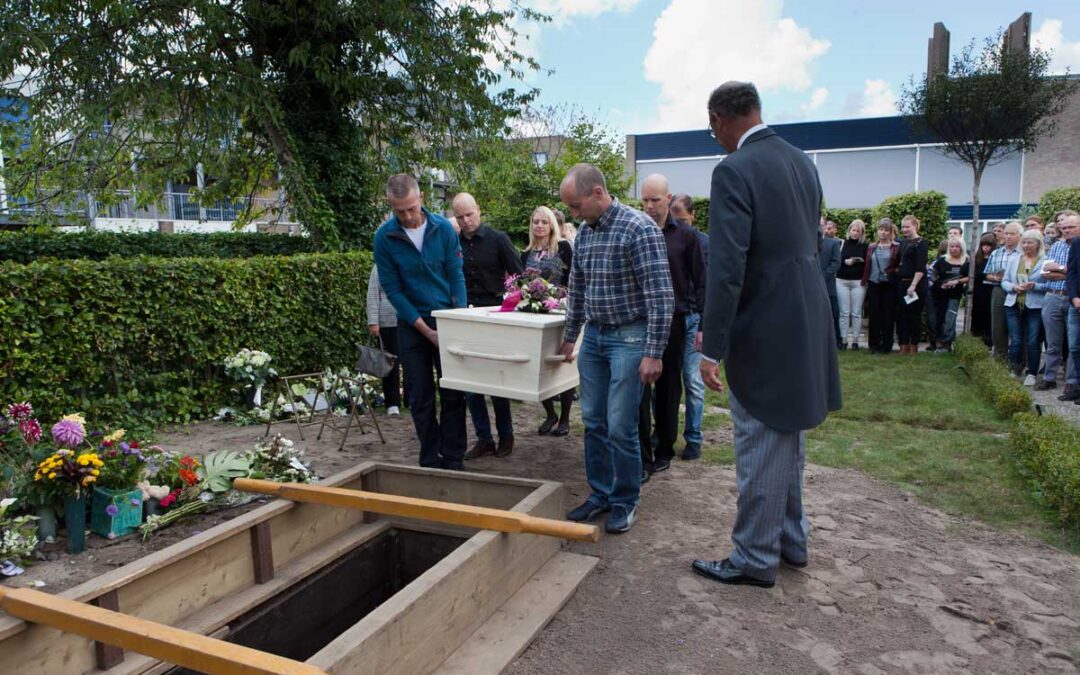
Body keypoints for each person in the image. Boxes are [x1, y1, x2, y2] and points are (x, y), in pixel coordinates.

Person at [692, 81, 841, 588]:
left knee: (759, 440)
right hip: (807, 315)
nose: (714, 136)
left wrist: (712, 347)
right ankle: (791, 542)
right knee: (786, 435)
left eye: (712, 127)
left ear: (719, 118)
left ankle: (755, 556)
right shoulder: (803, 162)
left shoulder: (734, 169)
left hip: (766, 324)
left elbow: (728, 266)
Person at [558, 163, 674, 534]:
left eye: (575, 206)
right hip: (594, 337)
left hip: (630, 337)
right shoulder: (585, 234)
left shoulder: (639, 228)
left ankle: (625, 499)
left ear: (597, 193)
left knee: (621, 425)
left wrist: (654, 352)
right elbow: (577, 288)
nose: (573, 214)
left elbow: (660, 295)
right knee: (594, 422)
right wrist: (570, 335)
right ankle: (601, 494)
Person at [373, 174, 467, 469]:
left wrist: (457, 318)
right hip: (411, 325)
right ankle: (430, 455)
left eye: (411, 208)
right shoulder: (384, 237)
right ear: (390, 205)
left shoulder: (443, 228)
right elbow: (393, 291)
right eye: (399, 211)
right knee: (419, 394)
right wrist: (425, 330)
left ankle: (453, 456)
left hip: (447, 319)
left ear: (421, 198)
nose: (407, 216)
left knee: (453, 391)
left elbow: (456, 274)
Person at [637, 174, 706, 478]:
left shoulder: (686, 236)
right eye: (645, 200)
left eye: (655, 200)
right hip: (640, 319)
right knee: (639, 388)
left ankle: (665, 447)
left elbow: (701, 280)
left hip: (675, 319)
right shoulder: (637, 230)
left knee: (668, 386)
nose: (649, 206)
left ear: (668, 199)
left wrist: (702, 323)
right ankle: (642, 451)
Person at [452, 193, 524, 460]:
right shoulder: (453, 243)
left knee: (497, 382)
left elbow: (519, 276)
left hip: (495, 316)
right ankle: (484, 439)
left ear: (478, 210)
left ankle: (506, 435)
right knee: (470, 385)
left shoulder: (498, 239)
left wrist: (514, 306)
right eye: (460, 217)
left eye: (469, 214)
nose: (465, 220)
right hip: (464, 316)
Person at [521, 205, 575, 436]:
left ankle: (565, 418)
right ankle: (550, 413)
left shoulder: (563, 248)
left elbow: (573, 278)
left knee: (562, 364)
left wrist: (561, 297)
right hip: (534, 312)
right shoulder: (526, 253)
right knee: (539, 364)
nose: (540, 226)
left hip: (559, 311)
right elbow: (521, 281)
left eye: (544, 222)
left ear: (552, 224)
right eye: (536, 222)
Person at [671, 193, 708, 461]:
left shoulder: (704, 242)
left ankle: (693, 437)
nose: (679, 225)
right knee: (666, 380)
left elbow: (708, 283)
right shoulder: (664, 238)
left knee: (692, 380)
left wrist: (704, 323)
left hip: (694, 316)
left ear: (693, 216)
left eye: (683, 220)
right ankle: (663, 432)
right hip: (672, 317)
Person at [1002, 229, 1047, 384]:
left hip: (1035, 305)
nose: (1026, 245)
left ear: (1038, 244)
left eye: (1030, 242)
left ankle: (1031, 373)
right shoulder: (1014, 260)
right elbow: (1004, 281)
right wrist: (1013, 287)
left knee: (1033, 340)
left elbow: (1049, 284)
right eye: (1024, 242)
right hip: (1013, 303)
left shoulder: (1045, 261)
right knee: (1016, 339)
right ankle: (1014, 369)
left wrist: (1035, 286)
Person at [1039, 213, 1078, 394]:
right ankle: (1049, 378)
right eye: (1064, 228)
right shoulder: (1057, 246)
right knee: (1052, 342)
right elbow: (1045, 273)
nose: (1067, 230)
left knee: (1074, 343)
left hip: (1073, 298)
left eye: (1071, 227)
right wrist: (1068, 272)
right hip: (1053, 296)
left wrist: (1060, 269)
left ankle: (1072, 381)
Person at [366, 266, 403, 416]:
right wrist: (373, 322)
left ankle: (412, 399)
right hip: (387, 322)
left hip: (408, 320)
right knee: (389, 364)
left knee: (412, 362)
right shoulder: (379, 267)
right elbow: (373, 295)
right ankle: (392, 402)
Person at [983, 222, 1022, 360]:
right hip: (999, 289)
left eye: (1012, 234)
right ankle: (1000, 357)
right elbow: (987, 274)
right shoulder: (996, 253)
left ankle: (1018, 360)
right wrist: (995, 277)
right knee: (998, 325)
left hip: (1019, 290)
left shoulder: (1023, 253)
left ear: (1020, 235)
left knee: (1017, 326)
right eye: (1006, 233)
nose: (1008, 236)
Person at [862, 219, 900, 354]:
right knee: (874, 315)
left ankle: (886, 345)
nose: (883, 232)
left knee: (888, 315)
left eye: (886, 230)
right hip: (874, 283)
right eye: (881, 229)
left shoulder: (896, 247)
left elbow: (899, 265)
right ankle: (873, 345)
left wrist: (892, 271)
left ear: (891, 232)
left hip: (889, 284)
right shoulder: (871, 247)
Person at [895, 215, 929, 354]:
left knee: (914, 316)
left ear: (915, 226)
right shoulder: (903, 243)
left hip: (915, 285)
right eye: (903, 227)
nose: (905, 229)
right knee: (902, 315)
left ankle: (914, 345)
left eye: (907, 226)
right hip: (902, 283)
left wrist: (913, 285)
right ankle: (903, 344)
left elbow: (921, 267)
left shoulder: (921, 243)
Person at [930, 238, 970, 352]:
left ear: (961, 248)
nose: (954, 249)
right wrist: (940, 284)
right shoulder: (942, 260)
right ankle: (939, 342)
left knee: (950, 318)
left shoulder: (966, 261)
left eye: (957, 246)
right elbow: (933, 275)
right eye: (952, 246)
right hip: (940, 294)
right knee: (939, 318)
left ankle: (947, 342)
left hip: (955, 295)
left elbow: (970, 277)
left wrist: (957, 281)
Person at [836, 220, 869, 350]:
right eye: (853, 230)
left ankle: (855, 341)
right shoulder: (841, 243)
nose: (855, 233)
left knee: (856, 312)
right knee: (844, 312)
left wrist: (857, 261)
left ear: (862, 233)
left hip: (858, 282)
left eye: (858, 231)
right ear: (849, 230)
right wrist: (845, 262)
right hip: (841, 280)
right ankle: (844, 340)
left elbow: (868, 263)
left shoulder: (865, 246)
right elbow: (836, 260)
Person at [972, 233, 998, 347]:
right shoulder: (977, 258)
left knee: (990, 315)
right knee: (978, 314)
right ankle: (976, 338)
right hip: (979, 290)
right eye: (983, 245)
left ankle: (989, 340)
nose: (986, 248)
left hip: (991, 289)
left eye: (988, 245)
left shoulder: (995, 258)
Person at [819, 222, 842, 348]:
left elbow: (836, 262)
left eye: (822, 225)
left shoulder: (833, 243)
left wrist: (823, 276)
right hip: (810, 285)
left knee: (833, 314)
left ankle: (836, 341)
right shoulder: (807, 242)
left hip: (828, 284)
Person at [1066, 214, 1080, 405]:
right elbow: (1072, 273)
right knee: (1075, 347)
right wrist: (1074, 297)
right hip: (1076, 304)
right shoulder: (1077, 244)